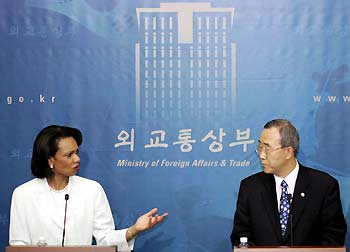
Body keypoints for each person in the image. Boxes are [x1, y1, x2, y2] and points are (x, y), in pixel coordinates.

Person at [9, 125, 168, 251]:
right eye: (69, 155)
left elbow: (105, 239)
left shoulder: (91, 189)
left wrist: (134, 229)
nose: (77, 159)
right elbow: (18, 244)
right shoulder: (24, 194)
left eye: (77, 152)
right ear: (50, 160)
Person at [231, 119, 347, 247]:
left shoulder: (323, 186)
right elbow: (240, 235)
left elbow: (334, 238)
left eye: (267, 149)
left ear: (288, 151)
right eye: (260, 147)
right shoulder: (250, 188)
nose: (262, 155)